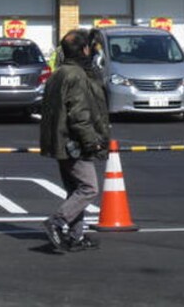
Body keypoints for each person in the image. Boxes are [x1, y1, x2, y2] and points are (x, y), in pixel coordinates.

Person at [39, 29, 110, 253]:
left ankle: (75, 236)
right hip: (74, 144)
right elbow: (79, 115)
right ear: (84, 50)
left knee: (75, 190)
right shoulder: (77, 76)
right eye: (91, 47)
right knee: (89, 188)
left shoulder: (58, 73)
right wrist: (92, 141)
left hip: (59, 142)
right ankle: (57, 222)